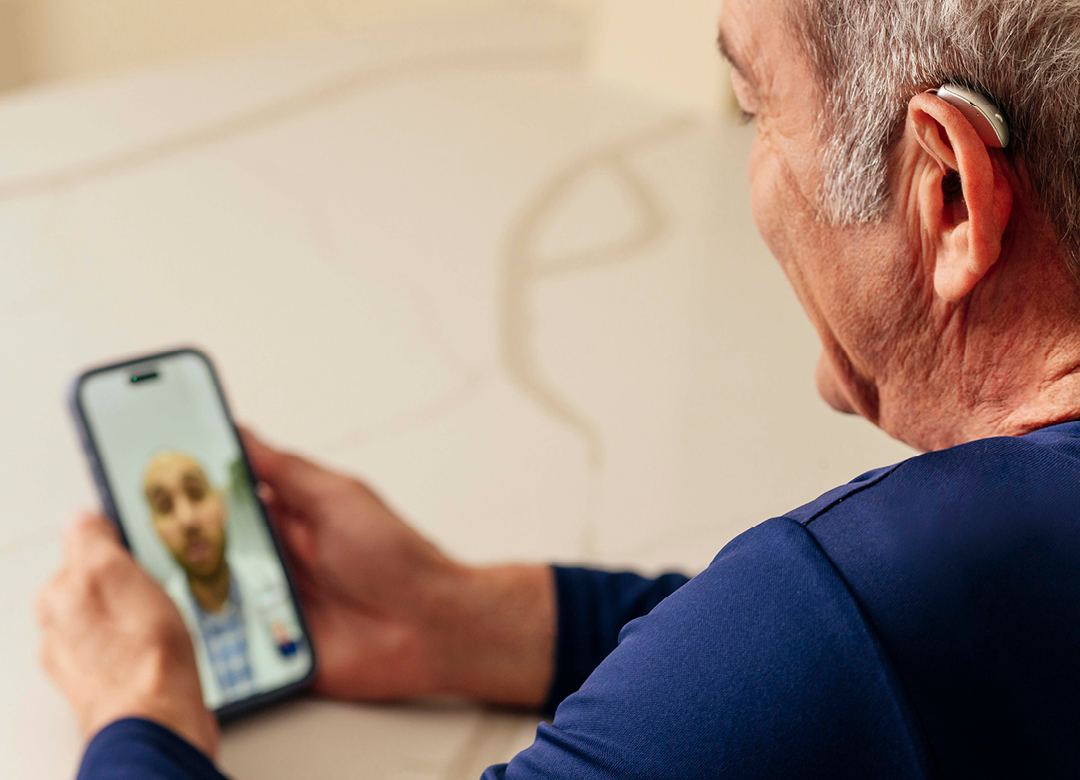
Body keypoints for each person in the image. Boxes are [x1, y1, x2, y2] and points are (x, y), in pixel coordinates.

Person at [34, 0, 1080, 776]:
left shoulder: (858, 615)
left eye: (757, 102)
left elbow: (830, 656)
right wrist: (461, 619)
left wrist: (140, 714)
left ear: (947, 194)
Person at [140, 452, 309, 709]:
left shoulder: (287, 580)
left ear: (221, 505)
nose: (187, 520)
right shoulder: (154, 634)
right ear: (156, 529)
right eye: (165, 507)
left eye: (196, 494)